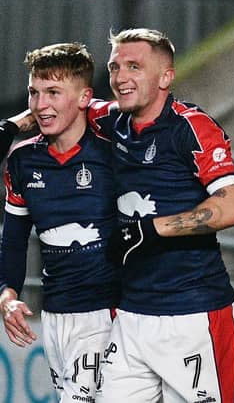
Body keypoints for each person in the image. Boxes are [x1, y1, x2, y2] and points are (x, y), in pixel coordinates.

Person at [87, 28, 234, 403]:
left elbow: (233, 206)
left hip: (194, 314)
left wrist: (152, 230)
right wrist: (16, 125)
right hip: (130, 315)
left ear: (165, 77)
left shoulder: (191, 126)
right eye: (114, 67)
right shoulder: (112, 120)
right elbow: (68, 102)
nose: (120, 77)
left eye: (134, 67)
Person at [0, 43, 120, 401]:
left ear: (84, 97)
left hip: (109, 314)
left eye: (53, 93)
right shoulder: (22, 159)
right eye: (34, 93)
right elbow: (15, 239)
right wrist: (7, 296)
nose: (40, 104)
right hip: (55, 314)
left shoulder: (113, 151)